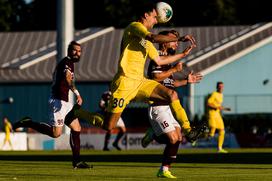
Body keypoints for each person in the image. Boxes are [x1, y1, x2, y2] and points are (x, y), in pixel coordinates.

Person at [65, 2, 205, 144]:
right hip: (124, 83)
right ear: (146, 15)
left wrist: (182, 55)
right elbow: (153, 37)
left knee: (172, 94)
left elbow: (159, 60)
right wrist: (178, 38)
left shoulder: (147, 41)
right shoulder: (135, 27)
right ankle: (77, 112)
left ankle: (188, 130)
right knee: (109, 126)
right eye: (155, 17)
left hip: (140, 82)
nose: (156, 21)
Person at [13, 41, 93, 169]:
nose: (77, 53)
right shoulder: (67, 62)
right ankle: (28, 122)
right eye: (75, 50)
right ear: (69, 50)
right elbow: (67, 79)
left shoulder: (68, 63)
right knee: (56, 134)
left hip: (65, 102)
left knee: (76, 128)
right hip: (57, 101)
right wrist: (77, 93)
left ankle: (77, 162)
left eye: (79, 51)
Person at [141, 30, 203, 178]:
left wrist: (186, 81)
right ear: (164, 42)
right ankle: (154, 135)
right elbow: (155, 78)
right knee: (173, 139)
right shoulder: (158, 58)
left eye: (176, 40)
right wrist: (174, 69)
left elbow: (170, 83)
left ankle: (164, 170)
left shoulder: (168, 60)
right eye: (173, 40)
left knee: (178, 138)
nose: (176, 43)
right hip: (157, 107)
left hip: (168, 107)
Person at [207, 81, 231, 153]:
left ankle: (219, 148)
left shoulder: (221, 95)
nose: (221, 88)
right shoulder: (214, 94)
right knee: (213, 128)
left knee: (222, 130)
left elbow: (218, 106)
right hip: (212, 113)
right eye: (219, 86)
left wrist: (225, 109)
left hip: (217, 115)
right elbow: (208, 103)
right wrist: (215, 107)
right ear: (217, 87)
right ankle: (197, 138)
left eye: (222, 86)